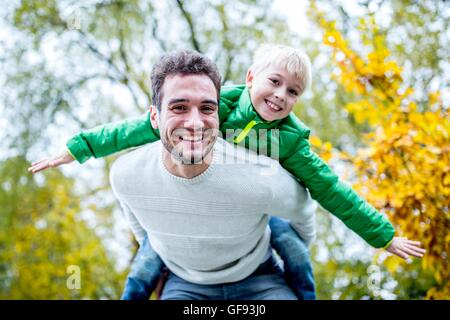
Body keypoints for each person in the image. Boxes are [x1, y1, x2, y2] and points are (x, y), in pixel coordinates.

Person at [29, 45, 425, 299]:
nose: (280, 96)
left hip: (257, 213)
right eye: (275, 82)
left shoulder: (289, 141)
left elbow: (331, 191)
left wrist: (382, 235)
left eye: (293, 92)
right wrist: (76, 149)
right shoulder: (213, 106)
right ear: (250, 78)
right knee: (149, 255)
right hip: (183, 227)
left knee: (291, 242)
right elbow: (127, 131)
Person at [110, 49, 317, 299]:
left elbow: (304, 211)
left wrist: (296, 253)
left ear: (218, 115)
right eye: (179, 107)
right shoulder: (126, 175)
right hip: (184, 284)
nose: (195, 123)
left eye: (207, 108)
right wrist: (164, 252)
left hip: (260, 278)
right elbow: (143, 228)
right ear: (155, 116)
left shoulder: (260, 176)